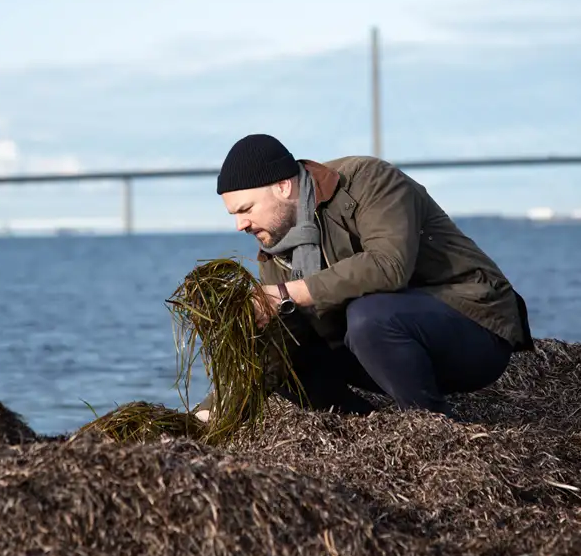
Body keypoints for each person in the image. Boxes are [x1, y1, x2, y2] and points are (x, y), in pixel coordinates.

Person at [195, 133, 533, 420]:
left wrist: (284, 293)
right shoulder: (275, 244)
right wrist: (209, 413)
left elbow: (390, 265)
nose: (240, 225)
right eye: (234, 215)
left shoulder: (368, 180)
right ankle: (360, 426)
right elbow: (277, 344)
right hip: (385, 346)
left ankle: (432, 425)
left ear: (283, 187)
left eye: (245, 209)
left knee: (369, 317)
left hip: (474, 329)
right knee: (284, 344)